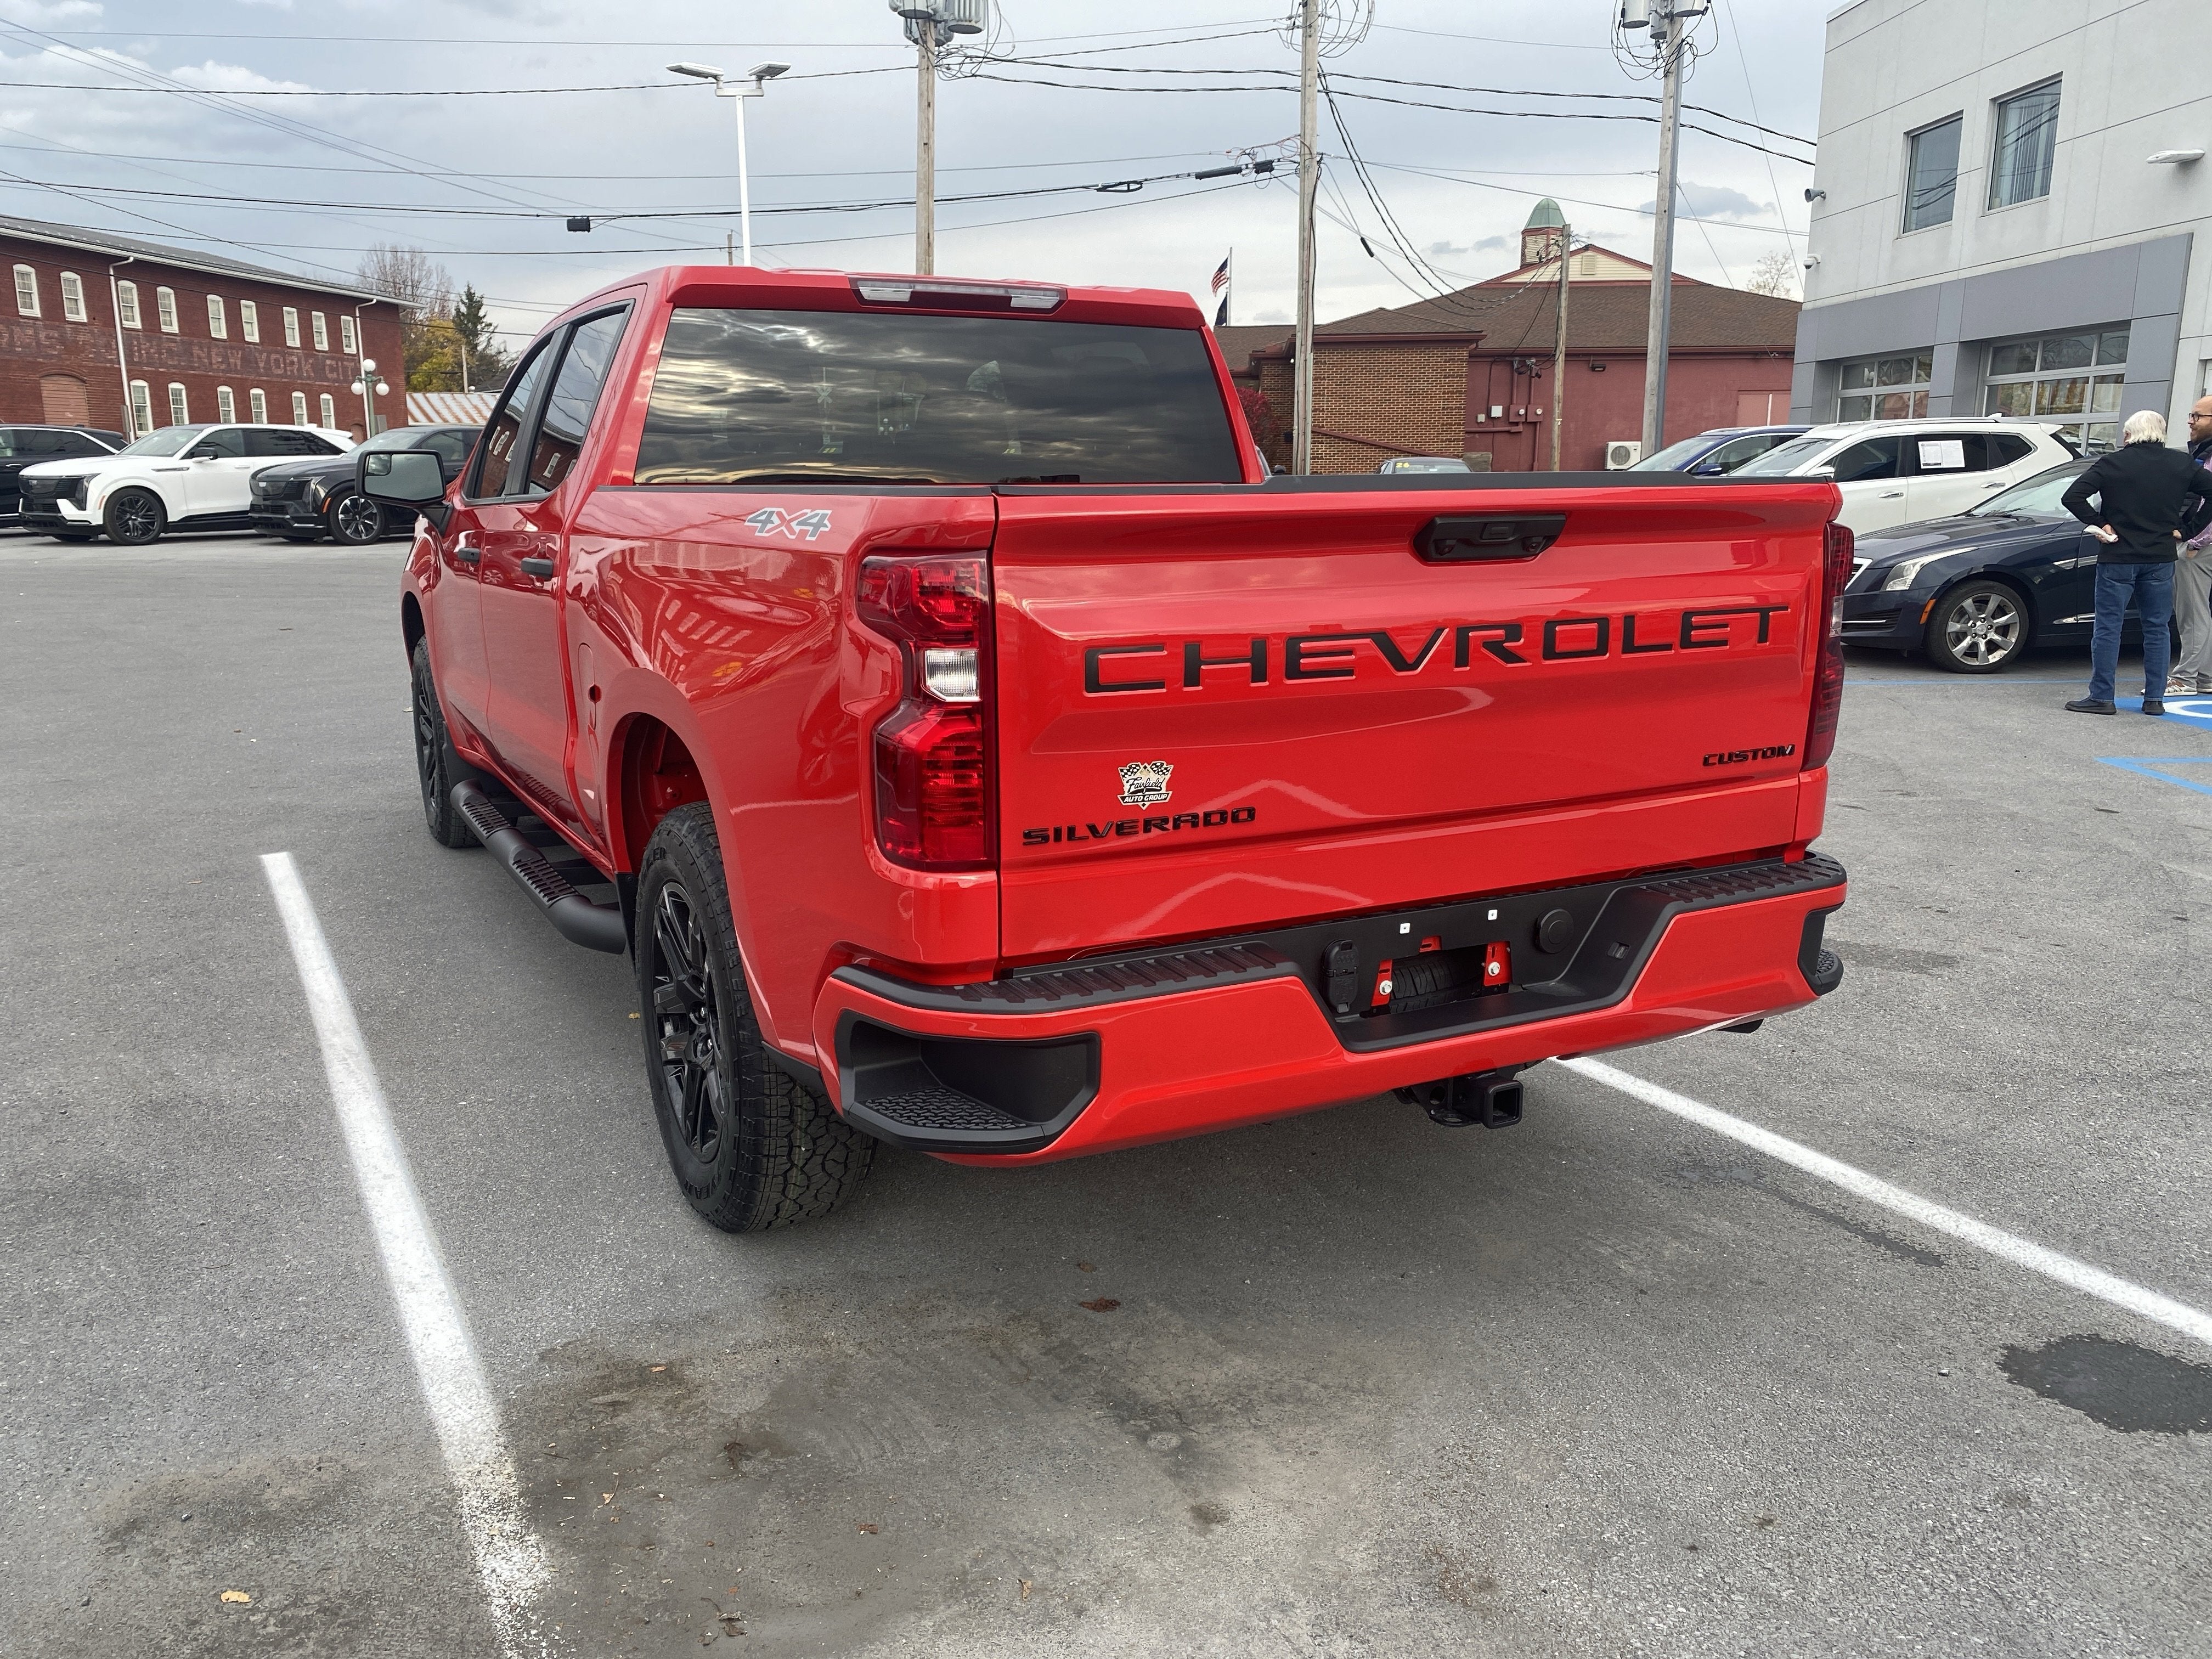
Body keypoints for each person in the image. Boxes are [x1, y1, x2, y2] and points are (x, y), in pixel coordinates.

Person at [2060, 409, 2212, 716]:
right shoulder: (2181, 463)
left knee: (2108, 627)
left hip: (2118, 555)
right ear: (2161, 434)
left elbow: (2072, 497)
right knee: (2157, 629)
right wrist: (2188, 530)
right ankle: (2154, 699)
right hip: (2160, 557)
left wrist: (2100, 523)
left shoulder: (2112, 463)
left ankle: (2102, 697)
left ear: (2129, 435)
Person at [2171, 396, 2212, 695]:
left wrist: (2195, 540)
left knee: (2193, 614)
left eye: (2197, 416)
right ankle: (2205, 677)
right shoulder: (2203, 453)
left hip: (2202, 546)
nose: (2190, 421)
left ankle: (2185, 678)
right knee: (2204, 614)